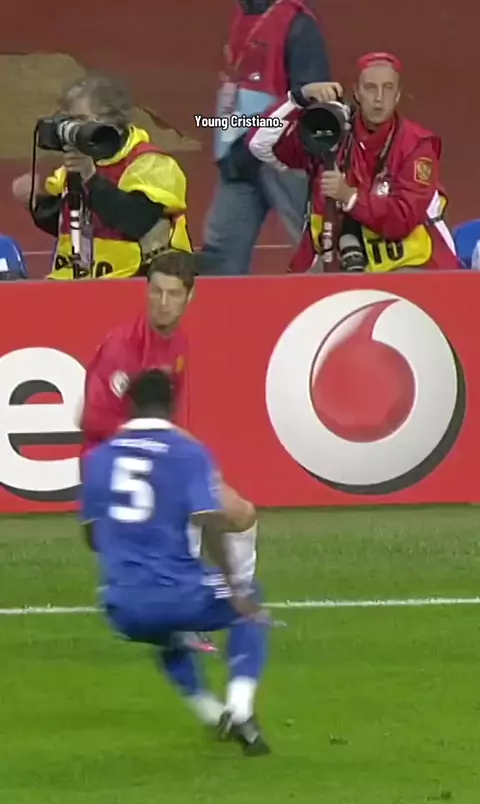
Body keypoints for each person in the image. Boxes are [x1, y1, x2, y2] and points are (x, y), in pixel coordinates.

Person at [80, 369, 270, 755]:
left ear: (130, 406)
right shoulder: (187, 453)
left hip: (122, 607)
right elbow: (210, 521)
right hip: (178, 593)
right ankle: (240, 707)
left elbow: (92, 537)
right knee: (250, 601)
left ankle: (208, 709)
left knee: (167, 631)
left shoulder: (98, 459)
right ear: (172, 407)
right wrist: (233, 586)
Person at [79, 248, 258, 599]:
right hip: (117, 469)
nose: (162, 303)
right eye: (156, 291)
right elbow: (96, 421)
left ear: (190, 296)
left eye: (173, 293)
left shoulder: (178, 343)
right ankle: (189, 604)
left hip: (153, 460)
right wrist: (167, 448)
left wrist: (176, 449)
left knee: (241, 514)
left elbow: (167, 417)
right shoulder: (124, 348)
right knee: (196, 509)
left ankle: (238, 599)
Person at [248, 52, 461, 272]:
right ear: (357, 93)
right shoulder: (331, 133)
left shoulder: (417, 145)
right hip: (335, 263)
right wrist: (298, 98)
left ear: (398, 95)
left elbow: (402, 220)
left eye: (388, 88)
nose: (379, 98)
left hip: (413, 267)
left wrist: (349, 197)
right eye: (370, 88)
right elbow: (259, 144)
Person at [12, 72, 192, 280]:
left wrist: (91, 178)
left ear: (111, 121)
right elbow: (69, 223)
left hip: (138, 281)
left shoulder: (152, 165)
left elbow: (135, 221)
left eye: (80, 120)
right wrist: (34, 203)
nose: (71, 130)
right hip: (77, 279)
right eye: (67, 120)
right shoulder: (79, 160)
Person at [197, 0, 331, 275]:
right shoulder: (243, 12)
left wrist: (256, 146)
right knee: (220, 255)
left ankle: (337, 299)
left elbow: (311, 100)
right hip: (238, 157)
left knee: (315, 246)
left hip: (284, 162)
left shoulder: (298, 24)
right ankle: (218, 305)